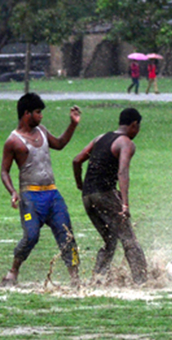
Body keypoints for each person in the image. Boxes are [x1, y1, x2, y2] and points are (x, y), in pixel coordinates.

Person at [0, 93, 81, 287]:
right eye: (38, 112)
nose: (41, 116)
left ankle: (75, 278)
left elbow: (60, 144)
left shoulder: (42, 131)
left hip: (52, 194)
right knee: (31, 236)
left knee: (67, 234)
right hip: (30, 197)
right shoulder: (13, 141)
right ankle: (13, 271)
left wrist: (73, 124)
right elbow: (4, 171)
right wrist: (13, 191)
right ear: (26, 114)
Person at [73, 108, 148, 285]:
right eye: (138, 127)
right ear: (134, 125)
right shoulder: (126, 143)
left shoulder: (100, 137)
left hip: (88, 196)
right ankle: (142, 281)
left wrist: (79, 184)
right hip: (104, 194)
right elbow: (123, 172)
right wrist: (125, 205)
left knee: (110, 240)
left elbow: (77, 160)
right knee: (129, 239)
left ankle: (98, 278)